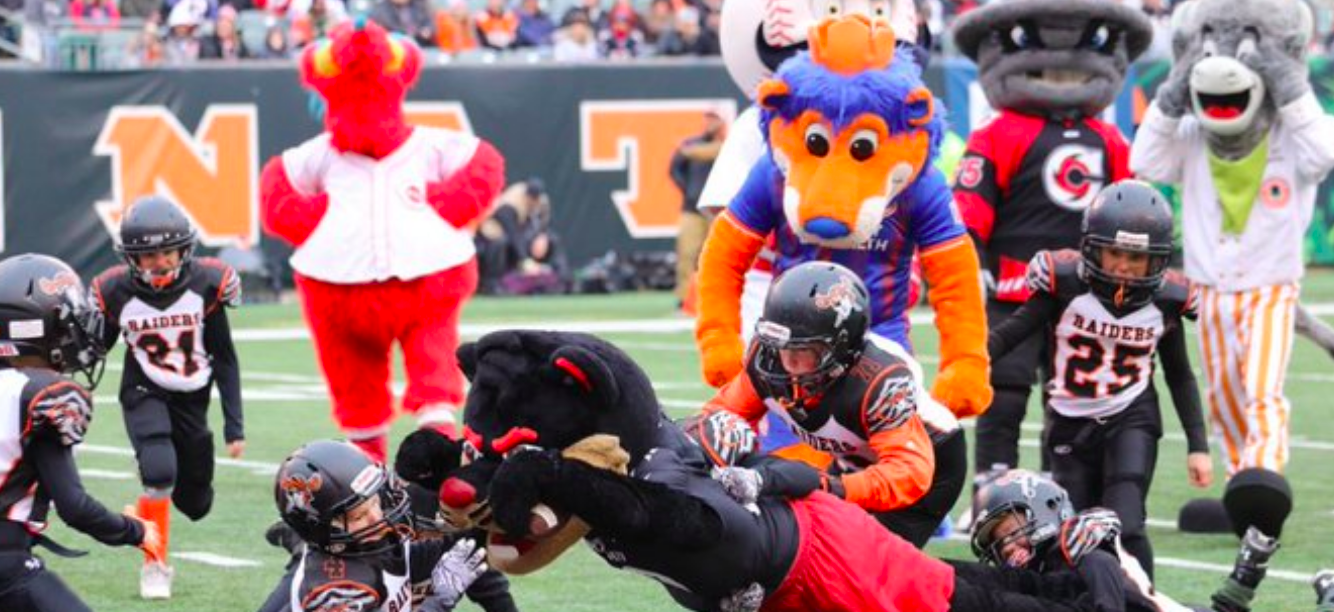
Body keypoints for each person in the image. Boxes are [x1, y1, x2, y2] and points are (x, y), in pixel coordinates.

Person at [987, 180, 1211, 578]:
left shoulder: (1166, 302)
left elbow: (1180, 375)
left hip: (1132, 416)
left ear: (1156, 260)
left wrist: (1198, 444)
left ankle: (1143, 603)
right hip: (1068, 420)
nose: (1125, 266)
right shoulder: (1067, 284)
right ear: (1094, 248)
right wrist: (969, 363)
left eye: (1137, 257)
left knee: (1126, 522)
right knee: (1068, 526)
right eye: (1116, 253)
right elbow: (1012, 332)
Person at [702, 261, 967, 547]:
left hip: (929, 463)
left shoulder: (878, 380)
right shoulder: (767, 359)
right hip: (853, 461)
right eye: (782, 346)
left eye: (803, 350)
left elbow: (909, 474)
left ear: (843, 347)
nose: (787, 363)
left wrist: (833, 488)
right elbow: (720, 420)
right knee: (801, 542)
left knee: (864, 564)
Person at [90, 195, 245, 600]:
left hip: (193, 396)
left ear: (184, 249)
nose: (159, 262)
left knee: (196, 503)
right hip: (144, 388)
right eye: (148, 254)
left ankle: (147, 506)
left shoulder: (205, 285)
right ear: (131, 258)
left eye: (167, 251)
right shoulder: (117, 291)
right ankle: (154, 564)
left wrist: (234, 424)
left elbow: (225, 359)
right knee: (159, 473)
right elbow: (97, 350)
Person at [0, 253, 161, 611]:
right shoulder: (38, 395)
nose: (76, 333)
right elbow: (75, 508)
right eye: (68, 322)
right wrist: (135, 530)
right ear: (32, 326)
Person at [970, 469, 1280, 612]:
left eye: (1010, 530)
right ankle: (1243, 579)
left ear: (1045, 508)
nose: (1006, 547)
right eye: (997, 542)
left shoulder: (1077, 545)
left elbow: (1105, 583)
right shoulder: (1040, 568)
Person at [260, 440, 490, 612]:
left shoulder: (365, 540)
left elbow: (406, 559)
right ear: (324, 531)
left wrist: (488, 519)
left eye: (375, 502)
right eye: (360, 515)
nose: (376, 517)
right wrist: (437, 603)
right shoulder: (337, 591)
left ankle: (297, 542)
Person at [669, 109, 725, 313]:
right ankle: (683, 300)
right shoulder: (693, 142)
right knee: (687, 253)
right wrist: (688, 191)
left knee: (716, 256)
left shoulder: (728, 145)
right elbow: (675, 167)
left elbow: (703, 151)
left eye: (714, 119)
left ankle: (715, 300)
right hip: (692, 208)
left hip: (718, 209)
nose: (710, 123)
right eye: (708, 119)